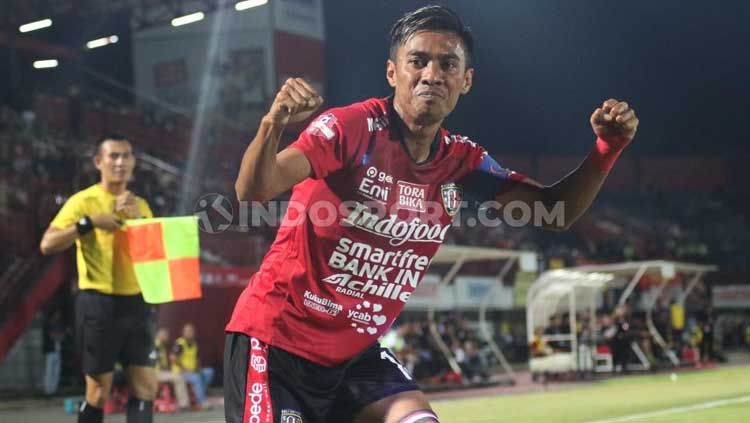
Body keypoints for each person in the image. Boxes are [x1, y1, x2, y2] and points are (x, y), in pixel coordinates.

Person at [225, 5, 639, 423]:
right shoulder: (350, 129)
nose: (431, 75)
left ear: (466, 80)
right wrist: (273, 122)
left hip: (355, 356)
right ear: (392, 72)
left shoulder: (461, 161)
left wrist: (607, 149)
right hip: (278, 344)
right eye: (418, 61)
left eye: (447, 64)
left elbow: (555, 212)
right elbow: (253, 189)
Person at [39, 134, 156, 423]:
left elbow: (153, 254)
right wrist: (89, 223)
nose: (120, 162)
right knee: (97, 392)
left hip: (137, 303)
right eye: (113, 156)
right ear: (98, 162)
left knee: (146, 387)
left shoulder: (140, 204)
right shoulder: (84, 201)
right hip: (98, 304)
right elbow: (47, 244)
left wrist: (140, 221)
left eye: (126, 156)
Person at [171, 323, 214, 409]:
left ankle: (199, 392)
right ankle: (201, 402)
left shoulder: (194, 344)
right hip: (181, 371)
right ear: (183, 332)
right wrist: (184, 369)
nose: (189, 333)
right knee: (196, 378)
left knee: (209, 372)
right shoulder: (180, 343)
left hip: (193, 370)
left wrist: (198, 369)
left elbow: (197, 359)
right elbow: (172, 358)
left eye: (191, 331)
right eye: (187, 331)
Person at [153, 328, 190, 410]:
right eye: (166, 335)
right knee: (179, 378)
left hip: (159, 372)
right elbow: (156, 362)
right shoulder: (156, 345)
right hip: (156, 373)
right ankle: (183, 404)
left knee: (175, 376)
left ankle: (171, 400)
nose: (168, 337)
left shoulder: (160, 345)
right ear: (161, 336)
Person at [42, 308, 66, 396]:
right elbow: (52, 336)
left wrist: (58, 336)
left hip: (57, 350)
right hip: (50, 350)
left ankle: (53, 389)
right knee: (49, 371)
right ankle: (48, 390)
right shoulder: (48, 325)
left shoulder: (58, 325)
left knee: (56, 370)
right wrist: (58, 336)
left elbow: (61, 336)